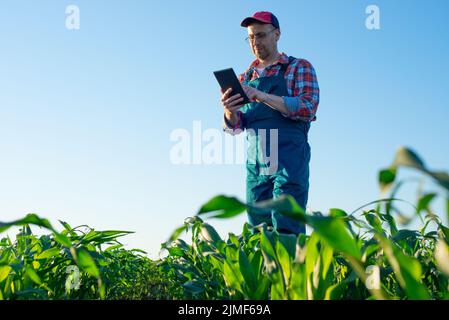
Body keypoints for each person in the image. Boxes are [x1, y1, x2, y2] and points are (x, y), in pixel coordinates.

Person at [221, 11, 320, 235]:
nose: (256, 42)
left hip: (289, 158)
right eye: (251, 37)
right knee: (258, 231)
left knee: (287, 224)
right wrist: (230, 110)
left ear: (277, 34)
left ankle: (292, 268)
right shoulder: (244, 77)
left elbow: (308, 107)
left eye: (261, 35)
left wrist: (261, 95)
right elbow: (235, 126)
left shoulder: (298, 67)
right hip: (257, 162)